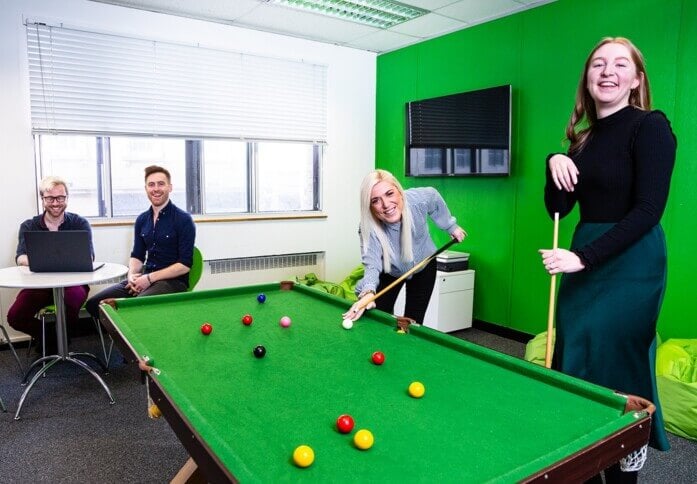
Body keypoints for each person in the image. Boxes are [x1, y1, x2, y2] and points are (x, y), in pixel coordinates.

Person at [539, 37, 676, 482]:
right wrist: (555, 160)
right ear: (588, 78)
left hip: (632, 260)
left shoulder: (651, 126)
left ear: (636, 79)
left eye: (620, 64)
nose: (607, 71)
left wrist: (584, 257)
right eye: (598, 64)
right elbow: (558, 210)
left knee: (616, 356)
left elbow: (648, 210)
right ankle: (582, 459)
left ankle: (623, 467)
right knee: (575, 347)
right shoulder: (582, 140)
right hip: (583, 251)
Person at [343, 169, 466, 325]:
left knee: (412, 321)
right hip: (390, 271)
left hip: (424, 267)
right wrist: (368, 291)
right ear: (370, 206)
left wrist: (450, 226)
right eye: (376, 200)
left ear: (399, 191)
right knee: (377, 317)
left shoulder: (418, 200)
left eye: (389, 194)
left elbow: (433, 197)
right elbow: (372, 264)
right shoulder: (369, 227)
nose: (386, 204)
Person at [86, 165, 195, 319]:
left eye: (161, 184)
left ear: (170, 187)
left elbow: (184, 265)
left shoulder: (184, 220)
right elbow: (137, 255)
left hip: (173, 283)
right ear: (146, 189)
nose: (156, 189)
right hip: (145, 277)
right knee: (95, 303)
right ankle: (120, 337)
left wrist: (149, 279)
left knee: (135, 308)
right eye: (151, 185)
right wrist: (132, 276)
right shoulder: (142, 219)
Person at [8, 176, 93, 354]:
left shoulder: (79, 223)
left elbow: (89, 256)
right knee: (15, 316)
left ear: (67, 198)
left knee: (71, 301)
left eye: (60, 198)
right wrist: (44, 260)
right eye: (50, 198)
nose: (55, 203)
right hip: (39, 285)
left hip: (72, 284)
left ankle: (57, 342)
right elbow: (20, 257)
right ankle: (52, 338)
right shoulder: (29, 225)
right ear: (43, 199)